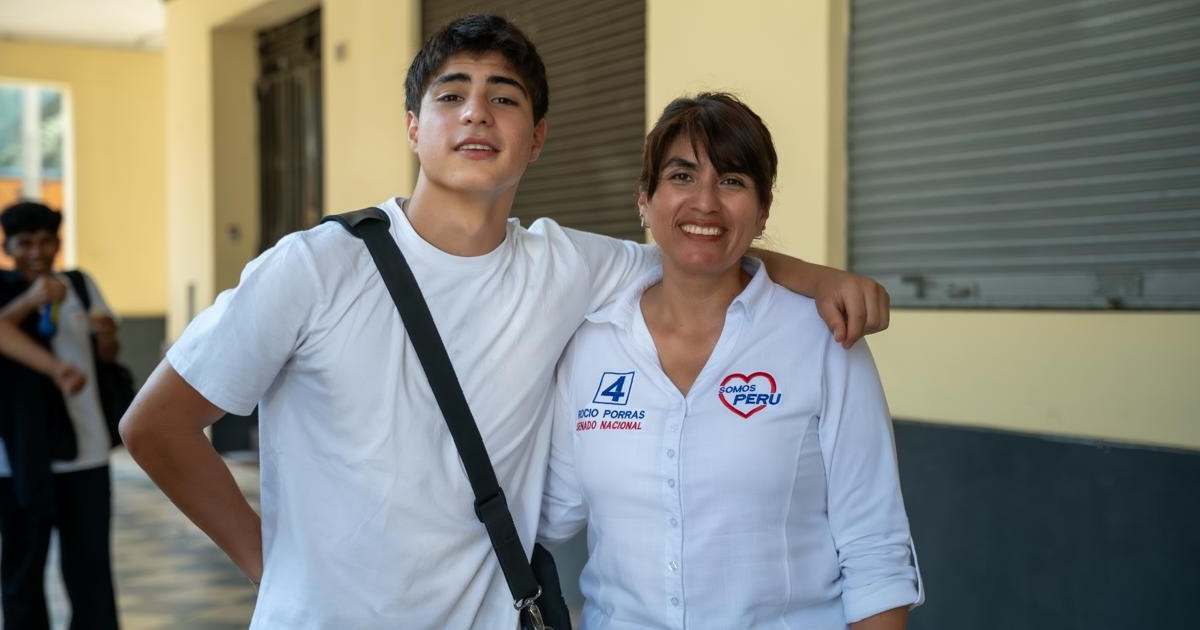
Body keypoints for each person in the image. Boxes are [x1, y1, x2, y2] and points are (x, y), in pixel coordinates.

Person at [119, 15, 891, 628]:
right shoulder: (315, 267)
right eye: (450, 95)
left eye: (505, 97)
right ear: (414, 127)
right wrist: (272, 567)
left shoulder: (567, 266)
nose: (477, 113)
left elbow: (698, 244)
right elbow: (155, 426)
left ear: (537, 136)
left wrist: (819, 278)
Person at [539, 93, 923, 629]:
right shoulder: (591, 345)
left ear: (763, 211)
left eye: (732, 181)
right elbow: (548, 515)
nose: (705, 203)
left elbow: (875, 549)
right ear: (644, 200)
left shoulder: (824, 339)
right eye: (681, 176)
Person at [0, 201, 121, 630]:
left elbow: (105, 353)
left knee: (90, 570)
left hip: (85, 453)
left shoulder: (79, 284)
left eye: (46, 241)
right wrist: (31, 300)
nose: (37, 251)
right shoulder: (3, 288)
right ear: (8, 245)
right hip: (16, 461)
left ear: (58, 242)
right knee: (21, 573)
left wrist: (107, 338)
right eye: (25, 242)